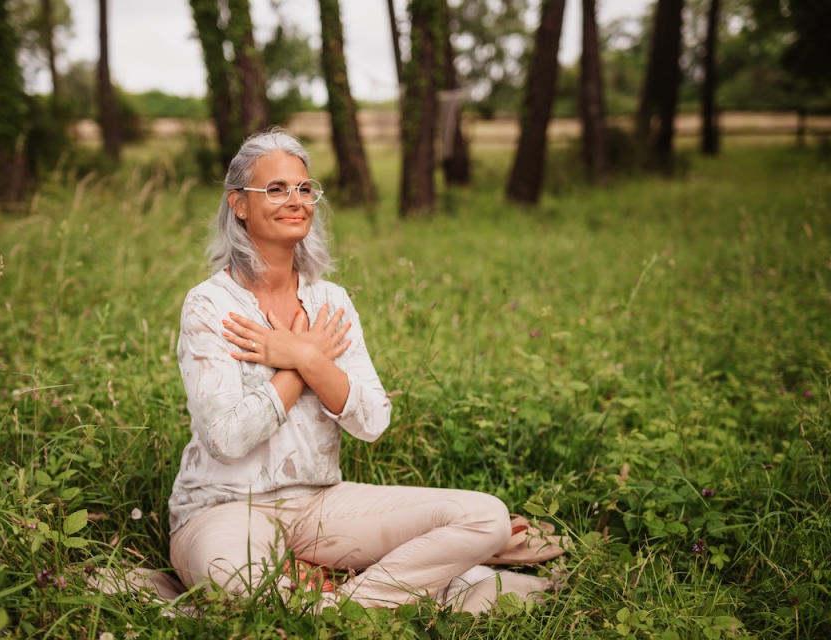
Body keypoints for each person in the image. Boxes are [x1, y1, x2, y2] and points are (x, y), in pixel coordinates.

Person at [168, 129, 566, 613]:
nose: (296, 201)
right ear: (239, 204)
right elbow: (225, 440)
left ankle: (342, 605)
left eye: (305, 188)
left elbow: (373, 421)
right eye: (275, 189)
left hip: (320, 505)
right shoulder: (210, 305)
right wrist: (303, 360)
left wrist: (308, 357)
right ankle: (373, 595)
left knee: (487, 518)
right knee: (232, 583)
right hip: (224, 507)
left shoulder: (330, 301)